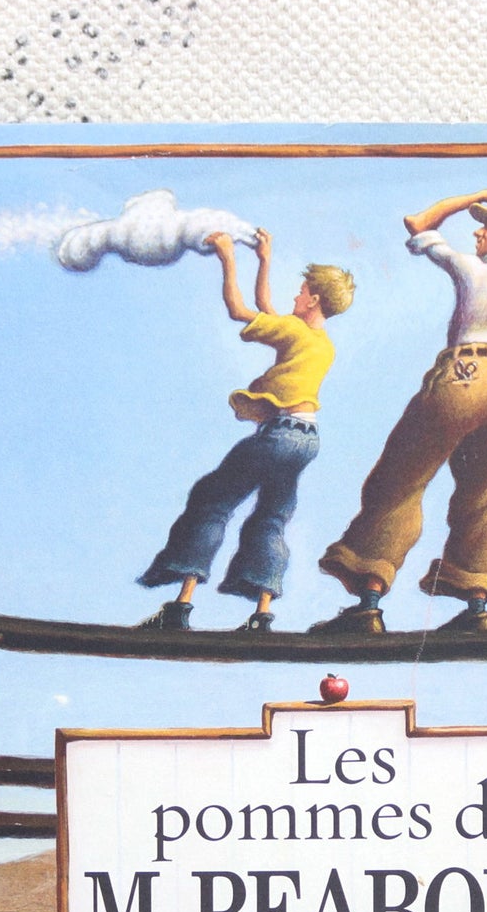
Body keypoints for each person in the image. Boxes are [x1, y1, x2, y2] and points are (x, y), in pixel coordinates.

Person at [312, 185, 487, 633]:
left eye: (486, 226)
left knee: (400, 479)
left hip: (459, 376)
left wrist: (479, 193)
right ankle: (476, 606)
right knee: (481, 489)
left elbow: (418, 224)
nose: (476, 233)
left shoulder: (469, 268)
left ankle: (368, 603)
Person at [137, 228, 355, 631]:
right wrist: (264, 259)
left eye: (301, 292)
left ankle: (180, 607)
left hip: (278, 435)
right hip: (307, 439)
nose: (295, 297)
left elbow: (240, 309)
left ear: (314, 299)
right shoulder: (321, 342)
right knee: (271, 516)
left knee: (212, 500)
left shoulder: (295, 331)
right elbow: (267, 309)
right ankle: (261, 614)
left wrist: (227, 257)